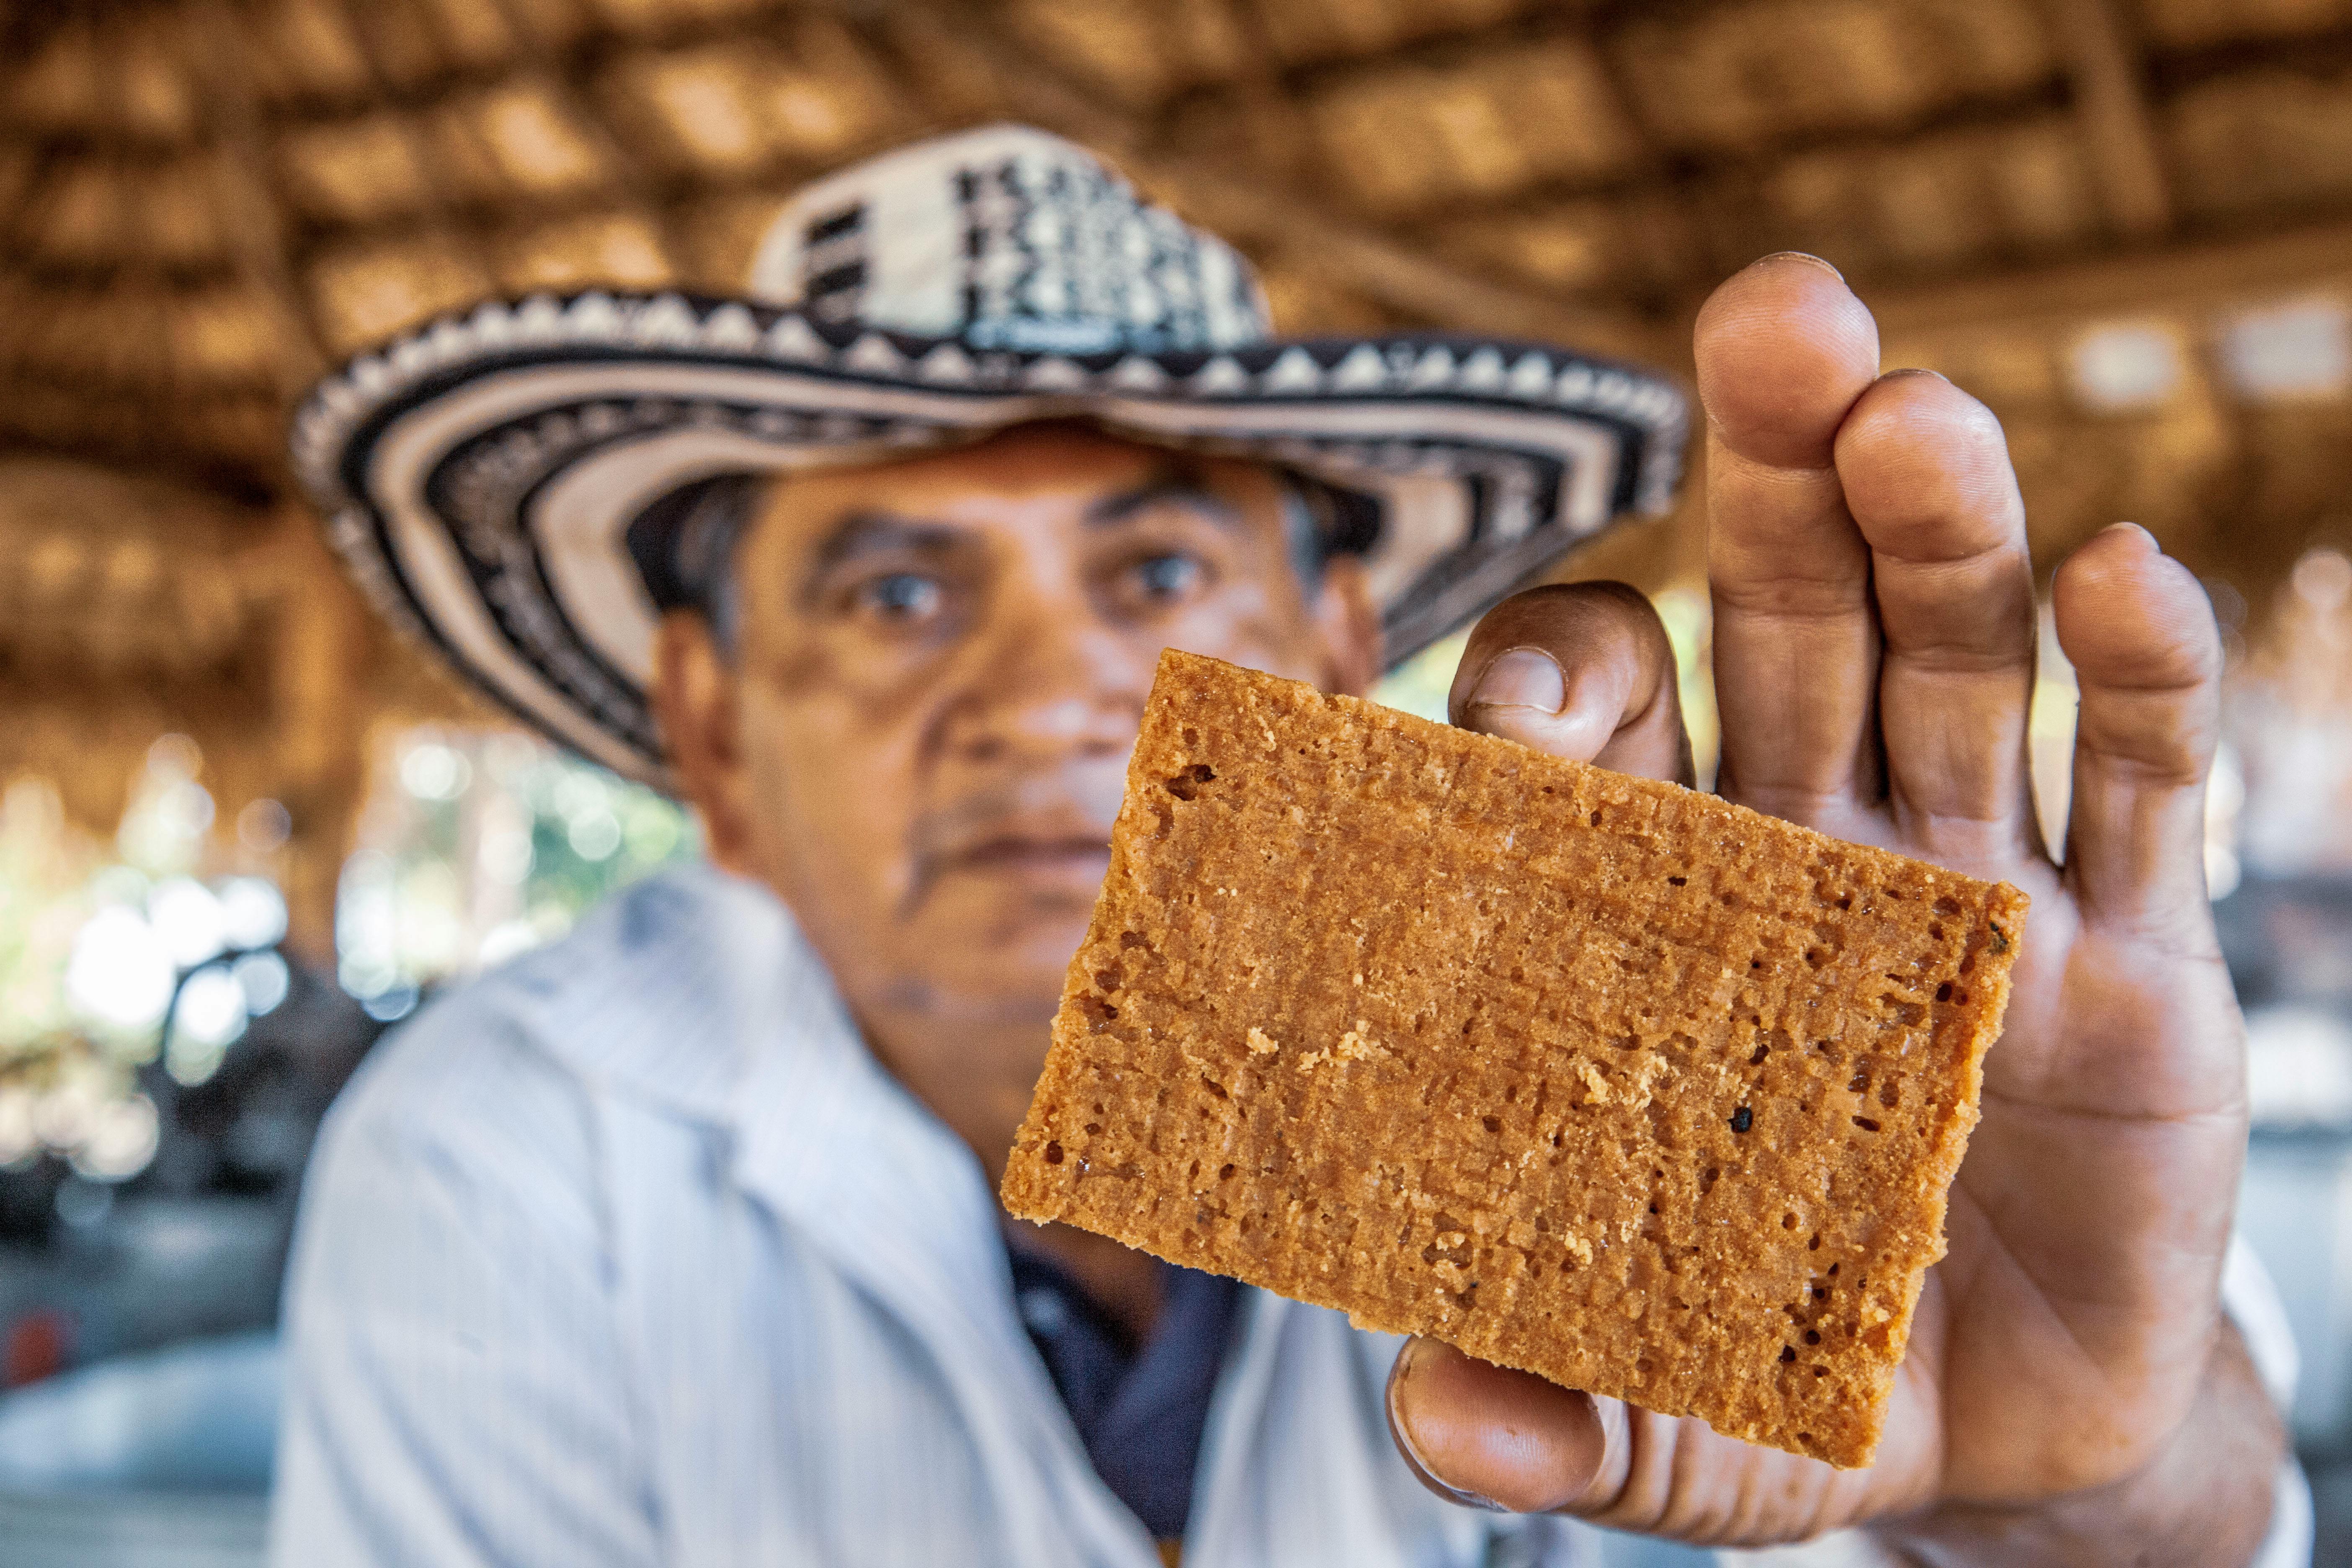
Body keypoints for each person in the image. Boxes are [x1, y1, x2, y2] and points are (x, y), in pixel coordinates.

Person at [270, 126, 2306, 1566]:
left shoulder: (1653, 1114)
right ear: (710, 734)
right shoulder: (506, 1157)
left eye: (1153, 564)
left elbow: (2067, 1501)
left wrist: (2092, 1496)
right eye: (897, 595)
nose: (1045, 690)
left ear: (1339, 653)